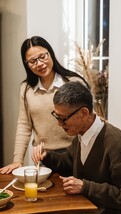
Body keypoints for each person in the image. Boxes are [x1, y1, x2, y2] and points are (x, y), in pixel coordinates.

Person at [16, 81, 121, 214]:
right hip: (82, 213)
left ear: (83, 113)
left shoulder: (115, 142)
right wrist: (47, 156)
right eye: (57, 116)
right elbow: (68, 162)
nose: (59, 124)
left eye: (63, 119)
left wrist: (85, 187)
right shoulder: (81, 135)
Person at [0, 36, 88, 174]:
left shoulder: (73, 82)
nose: (39, 63)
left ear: (50, 53)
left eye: (42, 56)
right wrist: (18, 160)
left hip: (75, 155)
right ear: (26, 64)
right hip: (44, 157)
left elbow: (88, 119)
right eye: (33, 61)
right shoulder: (26, 88)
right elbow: (24, 125)